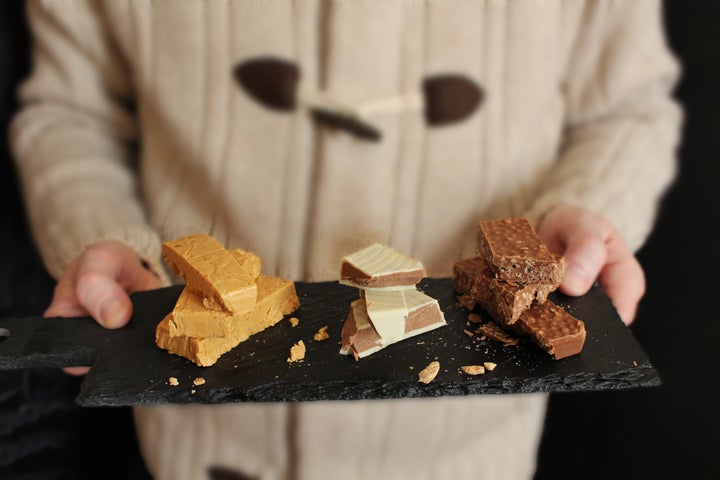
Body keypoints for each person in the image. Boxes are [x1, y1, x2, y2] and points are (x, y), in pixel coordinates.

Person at [10, 1, 682, 479]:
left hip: (471, 450)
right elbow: (69, 113)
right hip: (196, 445)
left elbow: (628, 106)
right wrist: (96, 231)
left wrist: (595, 208)